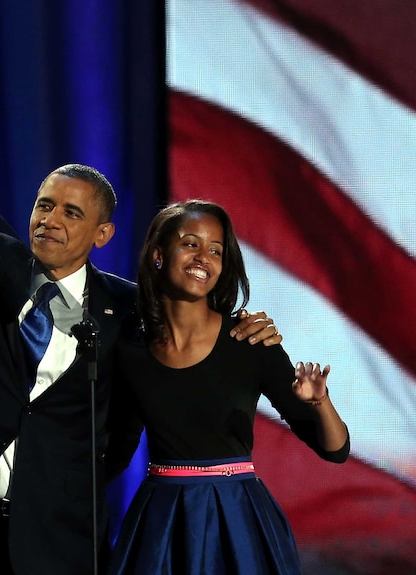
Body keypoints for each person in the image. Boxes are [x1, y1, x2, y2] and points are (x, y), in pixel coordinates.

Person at [0, 15, 282, 575]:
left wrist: (241, 329)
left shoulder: (128, 311)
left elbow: (150, 395)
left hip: (66, 535)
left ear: (102, 234)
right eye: (44, 205)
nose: (50, 220)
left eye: (71, 213)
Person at [105, 199, 350, 574]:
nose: (203, 257)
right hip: (162, 522)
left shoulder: (249, 342)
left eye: (215, 250)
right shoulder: (130, 350)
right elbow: (115, 453)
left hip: (237, 520)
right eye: (190, 244)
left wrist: (321, 403)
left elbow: (334, 450)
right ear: (158, 255)